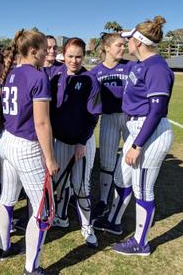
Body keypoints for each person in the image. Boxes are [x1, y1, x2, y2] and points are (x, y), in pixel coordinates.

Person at [95, 16, 174, 256]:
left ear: (139, 42)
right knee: (121, 177)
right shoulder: (141, 65)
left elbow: (157, 109)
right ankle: (114, 221)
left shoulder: (157, 67)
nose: (126, 44)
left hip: (150, 132)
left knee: (143, 189)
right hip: (137, 129)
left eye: (129, 40)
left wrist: (138, 145)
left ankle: (141, 242)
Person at [0, 29, 59, 275]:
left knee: (8, 198)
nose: (48, 54)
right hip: (27, 146)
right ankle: (32, 269)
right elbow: (41, 123)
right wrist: (50, 158)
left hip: (8, 140)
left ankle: (4, 248)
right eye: (45, 49)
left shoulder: (11, 72)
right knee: (43, 210)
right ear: (33, 51)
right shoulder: (37, 76)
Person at [50, 38, 102, 248]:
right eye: (70, 56)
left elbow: (93, 116)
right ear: (64, 55)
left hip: (82, 142)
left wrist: (82, 141)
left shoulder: (90, 79)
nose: (74, 60)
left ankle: (87, 226)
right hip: (61, 141)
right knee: (60, 183)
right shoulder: (56, 76)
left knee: (81, 187)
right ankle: (61, 218)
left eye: (78, 56)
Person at [90, 33, 135, 219]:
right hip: (108, 118)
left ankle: (125, 197)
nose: (123, 48)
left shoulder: (131, 66)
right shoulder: (95, 72)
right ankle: (103, 201)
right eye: (119, 45)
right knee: (107, 162)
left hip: (130, 118)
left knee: (131, 160)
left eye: (124, 45)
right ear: (107, 48)